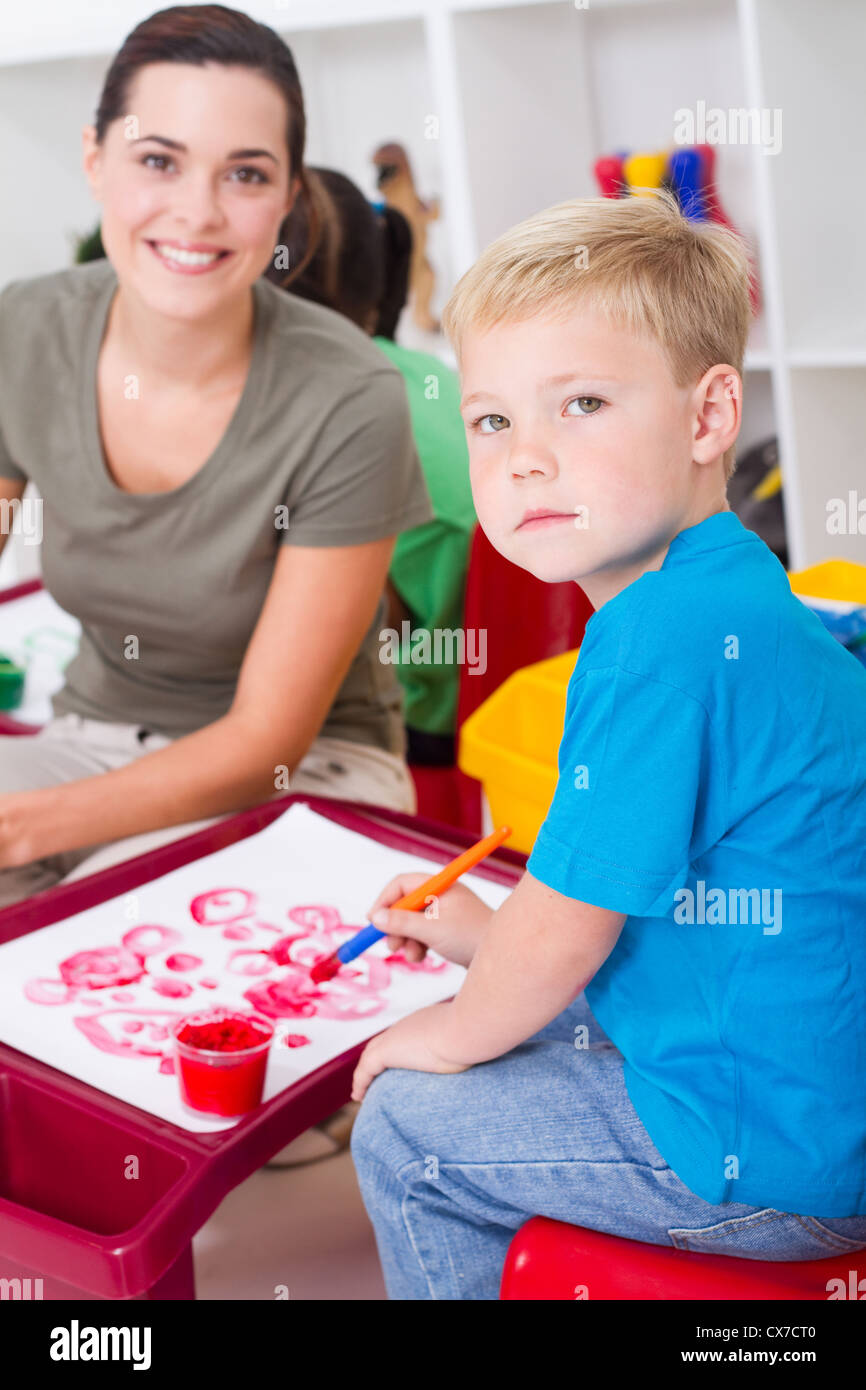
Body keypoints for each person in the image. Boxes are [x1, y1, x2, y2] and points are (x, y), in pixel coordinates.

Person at [347, 189, 866, 1298]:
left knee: (403, 1127)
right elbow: (611, 917)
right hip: (801, 1083)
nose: (522, 459)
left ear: (705, 414)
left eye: (578, 403)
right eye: (490, 420)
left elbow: (573, 933)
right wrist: (489, 939)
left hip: (764, 1154)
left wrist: (446, 1032)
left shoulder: (653, 643)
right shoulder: (738, 594)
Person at [0, 5, 434, 910]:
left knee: (105, 937)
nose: (196, 213)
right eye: (158, 160)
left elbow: (267, 740)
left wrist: (25, 828)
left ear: (284, 199)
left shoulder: (350, 395)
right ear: (96, 162)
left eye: (244, 174)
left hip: (308, 773)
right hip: (94, 736)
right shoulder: (24, 329)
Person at [267, 168, 477, 767]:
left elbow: (359, 628)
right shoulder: (427, 374)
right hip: (512, 690)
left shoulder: (316, 410)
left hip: (423, 720)